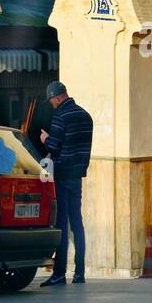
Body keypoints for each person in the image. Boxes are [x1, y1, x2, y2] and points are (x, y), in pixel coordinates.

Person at [39, 81, 94, 287]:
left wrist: (45, 138)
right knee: (77, 224)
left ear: (58, 97)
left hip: (62, 175)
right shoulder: (85, 116)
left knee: (62, 224)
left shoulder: (61, 116)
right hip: (77, 175)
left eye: (51, 100)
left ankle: (59, 274)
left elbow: (54, 145)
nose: (51, 104)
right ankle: (79, 273)